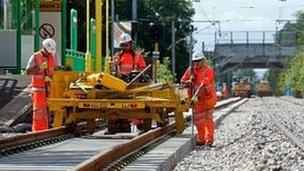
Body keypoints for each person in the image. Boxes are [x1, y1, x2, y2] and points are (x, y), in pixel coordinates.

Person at [181, 52, 217, 146]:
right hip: (198, 101)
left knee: (208, 119)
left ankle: (209, 139)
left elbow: (202, 86)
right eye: (194, 61)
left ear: (203, 61)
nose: (196, 63)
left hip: (208, 99)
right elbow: (182, 81)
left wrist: (195, 97)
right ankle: (201, 139)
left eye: (198, 61)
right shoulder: (191, 70)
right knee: (198, 120)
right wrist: (189, 81)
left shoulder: (207, 70)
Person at [26, 38, 57, 132]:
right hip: (38, 90)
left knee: (48, 112)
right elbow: (28, 71)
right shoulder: (35, 57)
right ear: (43, 48)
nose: (48, 53)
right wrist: (39, 67)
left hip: (49, 89)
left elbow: (54, 71)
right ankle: (37, 131)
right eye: (47, 51)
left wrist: (50, 79)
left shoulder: (52, 57)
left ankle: (46, 130)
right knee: (39, 112)